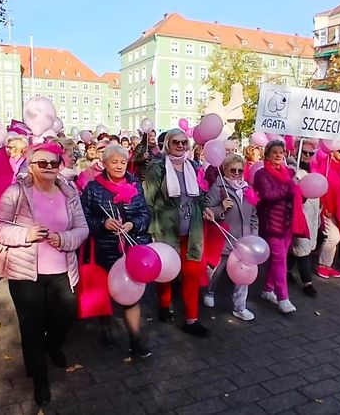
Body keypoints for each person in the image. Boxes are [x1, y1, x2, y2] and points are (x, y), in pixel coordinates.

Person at [0, 142, 89, 406]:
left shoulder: (69, 191)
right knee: (31, 326)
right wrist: (26, 235)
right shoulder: (15, 192)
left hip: (62, 269)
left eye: (54, 163)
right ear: (31, 166)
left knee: (66, 314)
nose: (50, 167)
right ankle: (39, 377)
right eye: (43, 163)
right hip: (25, 272)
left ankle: (53, 346)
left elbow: (82, 228)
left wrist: (63, 239)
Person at [81, 144, 152, 357]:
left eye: (123, 162)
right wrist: (103, 223)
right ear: (104, 164)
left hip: (131, 248)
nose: (120, 166)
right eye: (114, 162)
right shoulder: (93, 188)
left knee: (132, 295)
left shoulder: (135, 184)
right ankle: (105, 328)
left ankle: (135, 340)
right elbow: (83, 217)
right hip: (105, 248)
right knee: (105, 292)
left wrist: (132, 224)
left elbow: (144, 214)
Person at [143, 128, 209, 336]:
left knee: (192, 274)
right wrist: (151, 229)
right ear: (167, 144)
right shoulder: (157, 167)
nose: (180, 146)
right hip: (166, 229)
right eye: (176, 142)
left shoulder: (194, 166)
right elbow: (148, 200)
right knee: (167, 272)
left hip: (192, 230)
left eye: (184, 142)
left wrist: (207, 208)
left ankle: (192, 319)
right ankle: (164, 305)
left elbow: (200, 196)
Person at [254, 140, 307, 314]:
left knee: (281, 258)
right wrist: (288, 187)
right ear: (267, 154)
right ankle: (283, 297)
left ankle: (268, 290)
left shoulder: (288, 173)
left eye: (281, 152)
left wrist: (300, 192)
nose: (278, 155)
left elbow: (295, 196)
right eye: (275, 152)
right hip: (271, 224)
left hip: (287, 223)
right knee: (279, 260)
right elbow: (268, 195)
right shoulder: (261, 174)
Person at [203, 154, 258, 321]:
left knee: (244, 273)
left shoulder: (248, 189)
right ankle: (209, 290)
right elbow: (205, 211)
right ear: (225, 170)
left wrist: (254, 235)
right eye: (232, 170)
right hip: (224, 238)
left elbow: (254, 214)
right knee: (217, 270)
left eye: (240, 170)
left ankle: (239, 306)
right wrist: (221, 208)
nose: (236, 173)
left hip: (244, 239)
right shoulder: (218, 188)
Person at [315, 147, 340, 279]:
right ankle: (322, 264)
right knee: (333, 237)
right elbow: (320, 187)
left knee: (336, 238)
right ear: (332, 151)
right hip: (328, 210)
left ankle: (328, 265)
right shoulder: (325, 167)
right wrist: (325, 206)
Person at [287, 140, 318, 297]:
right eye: (304, 152)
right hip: (300, 215)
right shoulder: (292, 170)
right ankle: (308, 283)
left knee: (298, 248)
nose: (307, 156)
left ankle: (285, 270)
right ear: (297, 152)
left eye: (310, 153)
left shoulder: (314, 169)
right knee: (302, 247)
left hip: (312, 213)